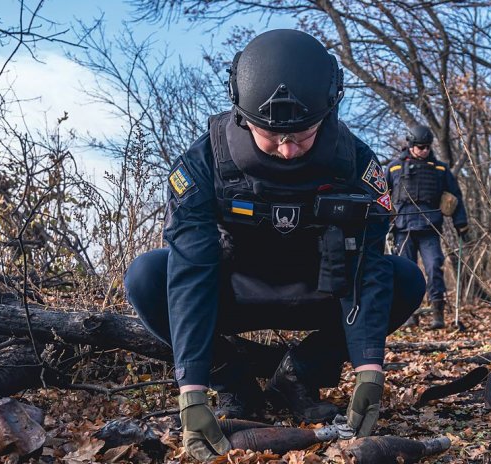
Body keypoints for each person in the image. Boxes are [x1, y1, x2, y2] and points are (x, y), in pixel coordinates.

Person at [123, 29, 425, 461]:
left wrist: (370, 368)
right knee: (147, 276)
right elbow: (190, 267)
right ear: (243, 116)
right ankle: (234, 381)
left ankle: (300, 374)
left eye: (302, 135)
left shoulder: (357, 165)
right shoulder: (202, 163)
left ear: (330, 109)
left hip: (319, 291)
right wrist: (192, 390)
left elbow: (369, 269)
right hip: (232, 292)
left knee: (406, 278)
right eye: (273, 135)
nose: (287, 150)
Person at [386, 125, 469, 330]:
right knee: (405, 273)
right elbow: (381, 196)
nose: (424, 150)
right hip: (403, 228)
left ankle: (437, 314)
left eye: (427, 147)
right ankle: (409, 315)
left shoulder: (440, 169)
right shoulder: (394, 168)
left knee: (434, 267)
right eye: (420, 146)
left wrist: (461, 224)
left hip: (430, 227)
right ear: (411, 145)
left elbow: (455, 196)